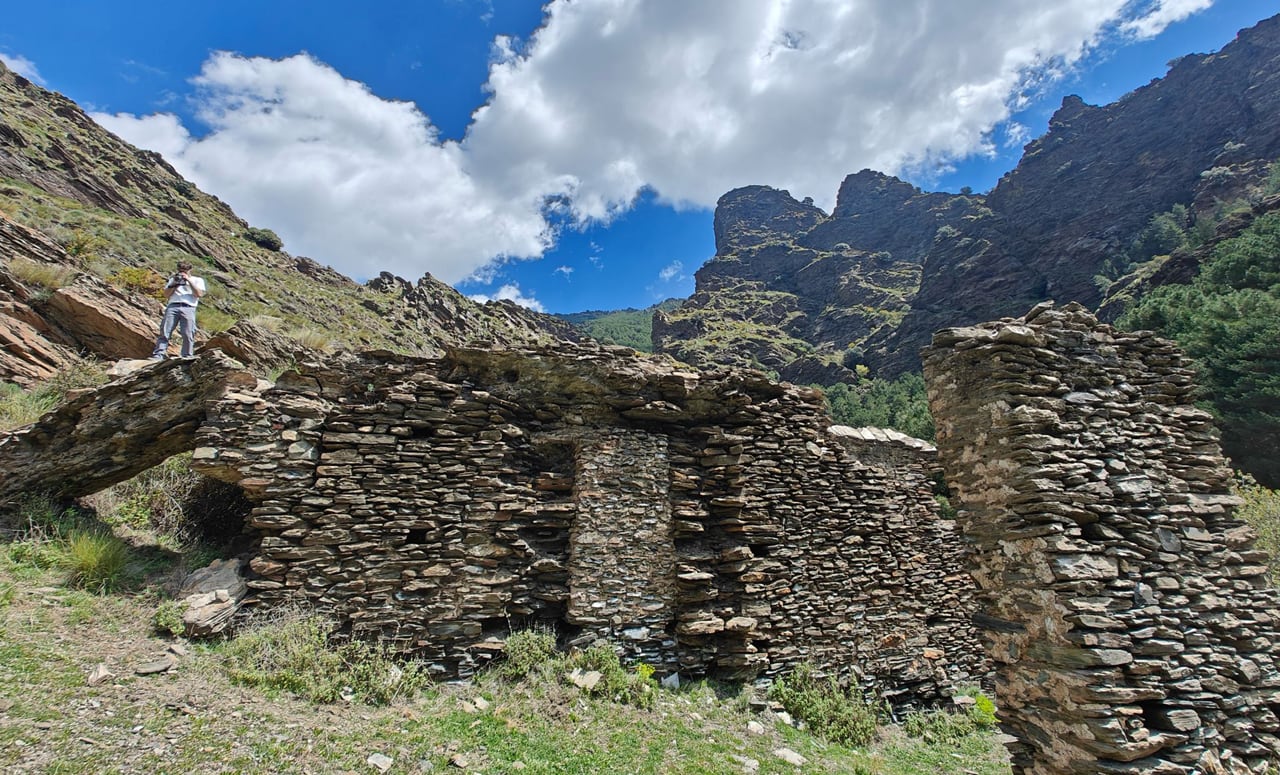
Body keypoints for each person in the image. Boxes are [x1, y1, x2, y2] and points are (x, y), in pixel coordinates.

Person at [150, 261, 206, 359]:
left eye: (185, 271)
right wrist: (175, 284)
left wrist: (188, 280)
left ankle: (187, 355)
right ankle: (159, 354)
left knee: (188, 332)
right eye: (180, 270)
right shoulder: (173, 279)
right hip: (173, 306)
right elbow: (166, 294)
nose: (182, 273)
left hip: (189, 307)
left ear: (190, 270)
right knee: (165, 331)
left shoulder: (197, 280)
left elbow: (199, 294)